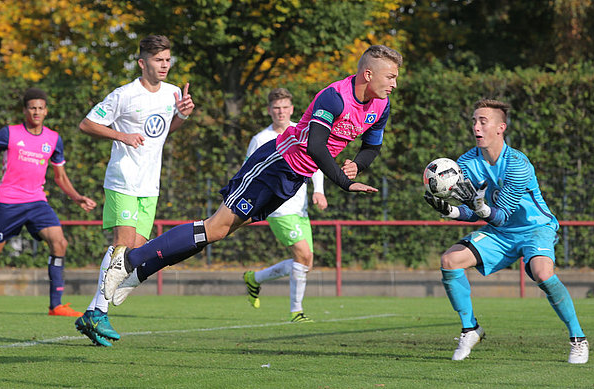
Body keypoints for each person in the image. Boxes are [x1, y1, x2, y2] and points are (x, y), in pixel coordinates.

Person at [101, 45, 402, 322]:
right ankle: (129, 260)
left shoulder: (381, 105)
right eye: (390, 76)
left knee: (216, 232)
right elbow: (316, 146)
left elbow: (372, 146)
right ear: (368, 74)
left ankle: (137, 272)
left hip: (293, 179)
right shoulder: (334, 97)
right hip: (274, 165)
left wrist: (357, 166)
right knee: (215, 227)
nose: (394, 84)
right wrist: (343, 182)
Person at [423, 99, 589, 364]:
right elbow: (477, 213)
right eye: (474, 121)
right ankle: (470, 329)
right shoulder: (465, 162)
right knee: (450, 260)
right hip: (502, 233)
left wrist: (478, 206)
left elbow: (500, 216)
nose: (476, 127)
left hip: (535, 228)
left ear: (501, 128)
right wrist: (452, 211)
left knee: (542, 273)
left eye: (483, 121)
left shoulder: (518, 165)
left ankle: (578, 339)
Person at [74, 35, 194, 347]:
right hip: (123, 179)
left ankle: (91, 313)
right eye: (158, 60)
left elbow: (165, 130)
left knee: (131, 257)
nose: (165, 65)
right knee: (122, 246)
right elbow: (86, 124)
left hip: (149, 185)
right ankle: (99, 312)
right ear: (143, 63)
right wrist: (121, 136)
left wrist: (182, 115)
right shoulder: (124, 95)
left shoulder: (172, 93)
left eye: (167, 59)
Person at [0, 87, 97, 317]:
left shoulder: (53, 139)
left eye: (41, 108)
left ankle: (56, 305)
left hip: (37, 202)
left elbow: (60, 176)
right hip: (8, 202)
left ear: (46, 111)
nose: (36, 112)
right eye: (32, 108)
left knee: (60, 243)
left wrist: (77, 197)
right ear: (25, 110)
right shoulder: (8, 134)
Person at [242, 88, 327, 323]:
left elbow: (317, 161)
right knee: (303, 253)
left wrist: (318, 191)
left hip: (300, 209)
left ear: (291, 109)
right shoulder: (260, 139)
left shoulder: (303, 130)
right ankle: (296, 312)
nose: (280, 112)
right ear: (270, 110)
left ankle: (255, 278)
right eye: (276, 108)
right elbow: (248, 170)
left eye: (284, 107)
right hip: (277, 208)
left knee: (306, 262)